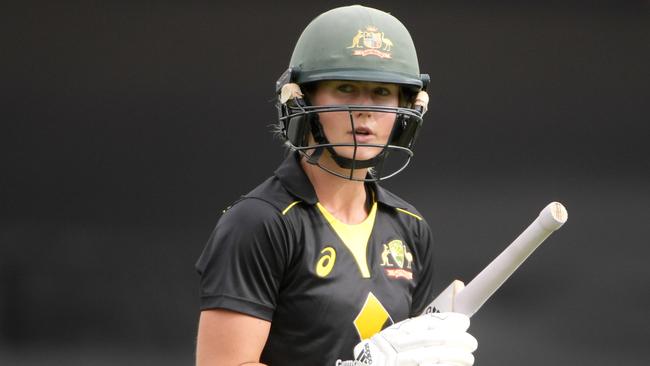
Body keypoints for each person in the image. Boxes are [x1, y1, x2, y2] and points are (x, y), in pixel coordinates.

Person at [195, 5, 478, 366]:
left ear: (405, 110)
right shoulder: (258, 223)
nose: (365, 111)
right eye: (345, 89)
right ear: (302, 100)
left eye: (381, 92)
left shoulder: (411, 228)